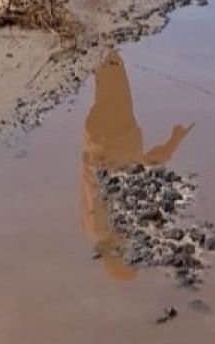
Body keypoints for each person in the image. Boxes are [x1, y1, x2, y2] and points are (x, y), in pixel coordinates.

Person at [79, 50, 194, 280]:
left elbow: (143, 168)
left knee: (110, 62)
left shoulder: (115, 226)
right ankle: (97, 36)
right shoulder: (91, 231)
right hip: (96, 137)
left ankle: (97, 31)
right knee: (104, 68)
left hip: (118, 135)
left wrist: (172, 142)